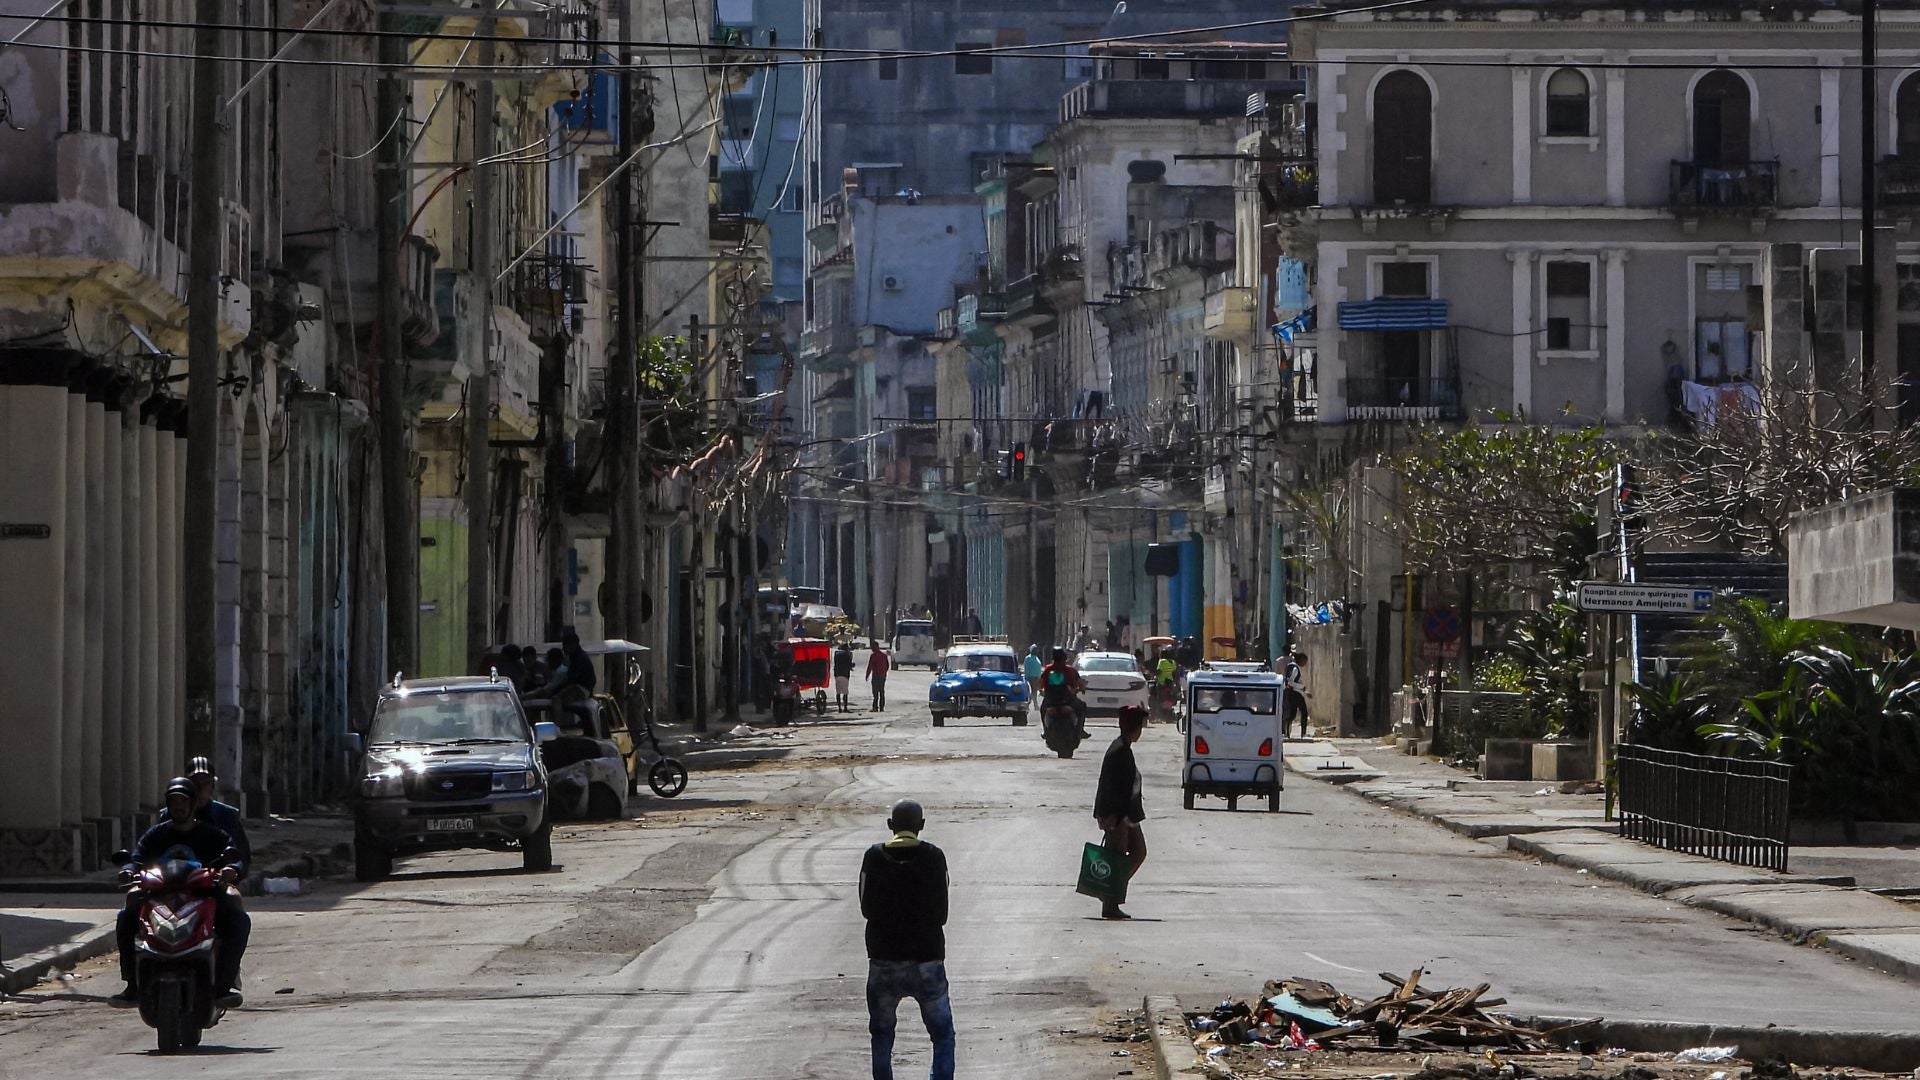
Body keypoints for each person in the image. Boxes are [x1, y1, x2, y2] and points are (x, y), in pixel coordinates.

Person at [112, 778, 249, 1008]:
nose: (179, 807)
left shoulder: (211, 834)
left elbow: (233, 857)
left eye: (183, 801)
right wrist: (128, 870)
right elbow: (137, 858)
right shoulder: (156, 834)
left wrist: (231, 869)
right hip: (159, 893)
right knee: (126, 915)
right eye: (174, 802)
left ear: (193, 804)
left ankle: (224, 985)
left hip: (203, 893)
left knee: (238, 919)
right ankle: (132, 984)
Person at [859, 799, 954, 1080]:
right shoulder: (934, 857)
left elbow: (866, 908)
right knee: (942, 1034)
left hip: (883, 959)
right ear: (921, 825)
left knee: (881, 1033)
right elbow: (942, 913)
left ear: (890, 825)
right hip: (927, 960)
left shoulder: (873, 857)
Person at [1093, 706, 1149, 920]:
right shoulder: (1119, 751)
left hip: (1128, 815)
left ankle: (1110, 891)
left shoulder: (1123, 748)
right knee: (1116, 859)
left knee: (1138, 853)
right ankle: (1110, 902)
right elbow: (1110, 787)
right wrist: (1108, 816)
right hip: (1118, 816)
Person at [187, 757, 251, 873]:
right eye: (195, 783)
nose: (200, 789)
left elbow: (241, 856)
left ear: (213, 786)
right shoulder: (172, 814)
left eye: (206, 783)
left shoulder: (227, 816)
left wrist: (233, 869)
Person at [1039, 647, 1089, 738]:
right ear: (1064, 658)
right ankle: (1080, 730)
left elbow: (1040, 685)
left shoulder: (1048, 669)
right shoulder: (1070, 670)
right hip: (1068, 700)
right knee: (1082, 707)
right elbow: (1080, 683)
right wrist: (1081, 688)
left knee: (1043, 709)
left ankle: (1046, 731)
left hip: (1051, 700)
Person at [1283, 650, 1311, 738]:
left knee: (1292, 714)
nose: (1305, 664)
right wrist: (1302, 687)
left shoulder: (1290, 666)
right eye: (1304, 661)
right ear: (1301, 660)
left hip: (1292, 693)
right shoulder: (1295, 668)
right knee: (1304, 712)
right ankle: (1303, 733)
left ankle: (1286, 732)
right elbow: (1290, 682)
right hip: (1295, 693)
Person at [866, 642, 892, 711]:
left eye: (872, 647)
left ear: (876, 647)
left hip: (876, 676)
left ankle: (875, 707)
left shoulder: (873, 656)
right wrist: (884, 673)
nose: (871, 649)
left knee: (875, 692)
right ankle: (881, 707)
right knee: (881, 691)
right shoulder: (884, 655)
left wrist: (867, 675)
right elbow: (887, 666)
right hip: (882, 676)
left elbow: (870, 666)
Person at [833, 641, 856, 712]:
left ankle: (839, 708)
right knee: (845, 692)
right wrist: (852, 665)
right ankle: (845, 708)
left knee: (838, 692)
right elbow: (849, 664)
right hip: (845, 675)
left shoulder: (836, 654)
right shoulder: (847, 654)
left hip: (837, 674)